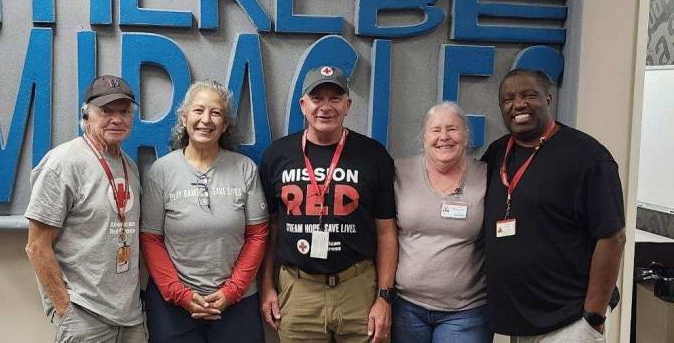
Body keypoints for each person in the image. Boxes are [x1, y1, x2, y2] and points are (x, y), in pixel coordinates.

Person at [481, 69, 625, 342]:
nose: (518, 104)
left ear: (549, 99)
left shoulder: (587, 157)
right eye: (508, 99)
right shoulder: (498, 152)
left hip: (569, 321)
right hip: (521, 323)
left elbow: (612, 237)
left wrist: (593, 317)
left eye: (528, 95)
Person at [259, 66, 398, 343]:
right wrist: (266, 287)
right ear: (303, 105)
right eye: (316, 98)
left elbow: (386, 232)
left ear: (348, 105)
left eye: (335, 98)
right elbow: (270, 229)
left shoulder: (373, 155)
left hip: (358, 288)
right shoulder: (278, 155)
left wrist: (384, 298)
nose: (325, 107)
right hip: (298, 290)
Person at [140, 80, 269, 343]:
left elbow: (258, 235)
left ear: (225, 125)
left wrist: (232, 292)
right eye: (198, 110)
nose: (206, 120)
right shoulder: (161, 171)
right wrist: (180, 294)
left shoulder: (245, 168)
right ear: (184, 117)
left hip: (238, 303)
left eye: (216, 113)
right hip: (173, 306)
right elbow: (150, 239)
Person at [25, 74, 145, 342]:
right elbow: (36, 246)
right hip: (85, 315)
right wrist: (65, 309)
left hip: (130, 317)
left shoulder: (130, 167)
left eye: (124, 111)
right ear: (86, 114)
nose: (116, 118)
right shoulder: (63, 163)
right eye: (105, 110)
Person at [392, 102, 492, 343]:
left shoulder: (487, 175)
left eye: (453, 129)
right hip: (407, 307)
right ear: (423, 137)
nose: (444, 137)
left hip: (466, 311)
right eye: (435, 130)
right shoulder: (399, 171)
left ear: (466, 136)